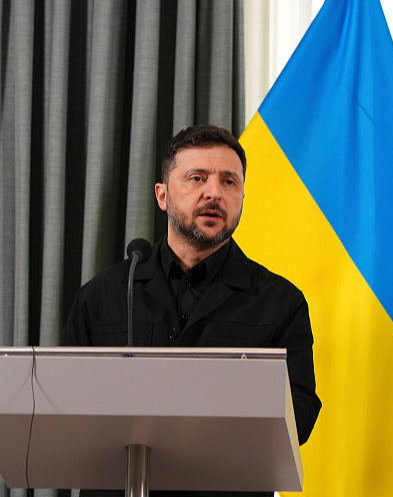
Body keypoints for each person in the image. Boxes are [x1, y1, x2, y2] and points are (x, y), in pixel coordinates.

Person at [62, 125, 321, 497]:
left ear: (243, 196)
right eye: (197, 178)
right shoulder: (102, 297)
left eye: (229, 182)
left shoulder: (281, 302)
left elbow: (300, 414)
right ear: (162, 196)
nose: (214, 193)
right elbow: (65, 402)